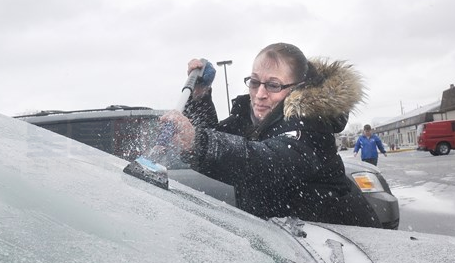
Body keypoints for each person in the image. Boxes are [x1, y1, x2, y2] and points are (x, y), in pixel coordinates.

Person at [159, 42, 382, 228]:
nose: (260, 94)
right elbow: (213, 137)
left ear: (298, 88)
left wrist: (197, 142)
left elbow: (261, 163)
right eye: (254, 82)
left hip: (343, 248)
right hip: (294, 246)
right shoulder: (253, 118)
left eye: (274, 85)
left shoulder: (310, 128)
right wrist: (200, 96)